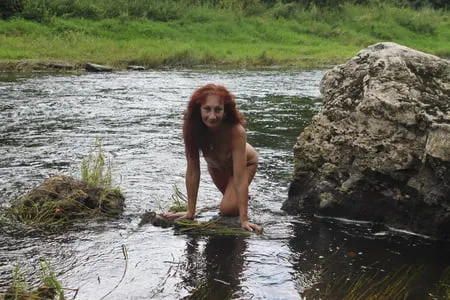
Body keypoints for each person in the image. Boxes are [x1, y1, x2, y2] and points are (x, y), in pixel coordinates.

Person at [164, 84, 262, 232]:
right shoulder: (191, 128)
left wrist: (244, 220)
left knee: (227, 210)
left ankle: (240, 203)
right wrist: (190, 212)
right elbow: (193, 170)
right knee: (229, 204)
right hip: (216, 166)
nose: (212, 116)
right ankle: (240, 199)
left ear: (226, 111)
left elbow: (240, 176)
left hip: (246, 164)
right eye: (207, 109)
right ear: (199, 109)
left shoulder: (236, 131)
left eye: (218, 110)